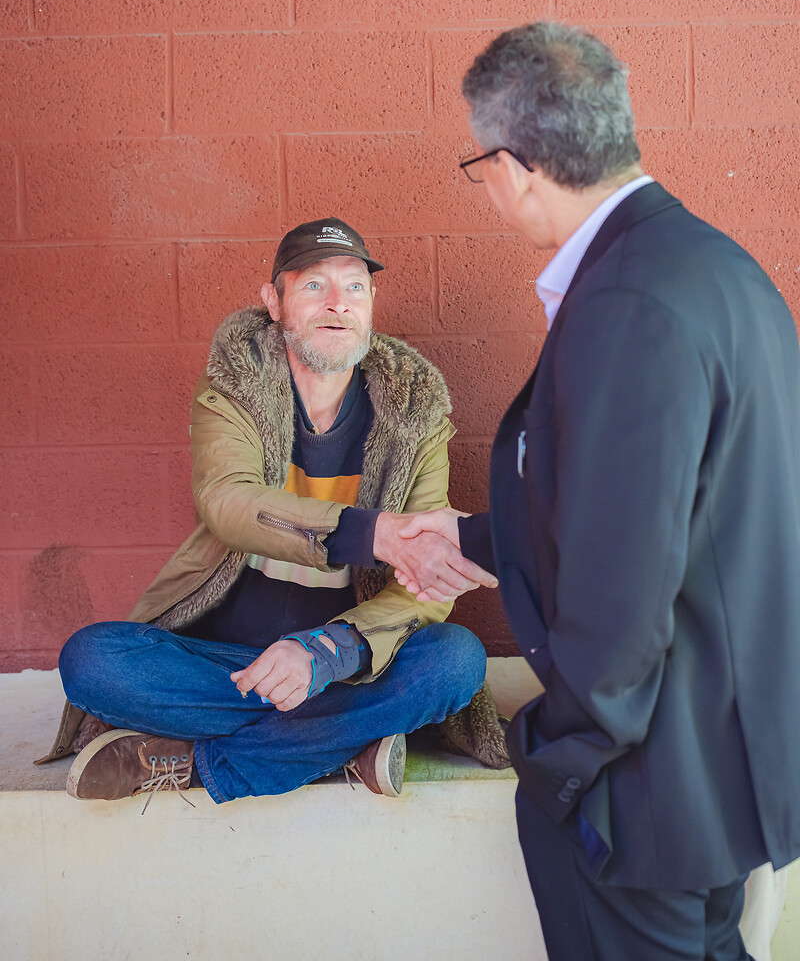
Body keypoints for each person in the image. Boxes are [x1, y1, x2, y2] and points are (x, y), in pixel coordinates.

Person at [395, 23, 800, 959]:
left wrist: (566, 757)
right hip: (719, 755)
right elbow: (674, 509)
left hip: (648, 784)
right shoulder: (715, 265)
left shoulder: (624, 304)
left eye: (481, 168)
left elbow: (625, 581)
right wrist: (475, 537)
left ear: (514, 167)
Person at [37, 218, 505, 806]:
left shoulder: (417, 418)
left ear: (371, 300)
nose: (337, 303)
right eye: (313, 285)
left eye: (354, 286)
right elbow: (227, 502)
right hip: (227, 665)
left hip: (344, 661)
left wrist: (326, 652)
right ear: (274, 301)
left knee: (454, 660)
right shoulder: (233, 390)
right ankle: (342, 740)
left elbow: (426, 590)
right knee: (91, 661)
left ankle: (196, 763)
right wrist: (377, 534)